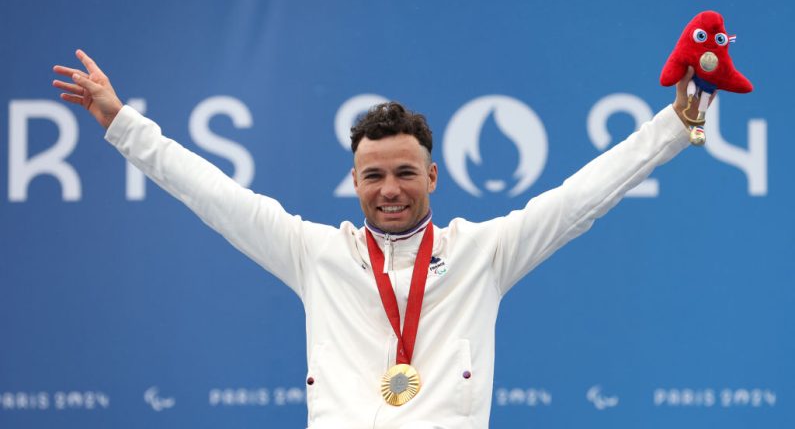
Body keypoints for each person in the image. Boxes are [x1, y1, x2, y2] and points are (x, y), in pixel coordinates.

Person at [53, 49, 707, 429]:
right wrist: (120, 122)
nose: (389, 188)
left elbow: (583, 195)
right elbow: (211, 192)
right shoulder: (314, 252)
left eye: (402, 172)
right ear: (353, 180)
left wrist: (675, 125)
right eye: (373, 175)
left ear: (432, 175)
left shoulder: (484, 250)